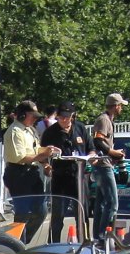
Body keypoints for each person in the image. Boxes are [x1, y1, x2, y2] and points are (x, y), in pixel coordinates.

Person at [2, 99, 56, 243]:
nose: (35, 119)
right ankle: (14, 243)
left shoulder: (30, 130)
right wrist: (42, 156)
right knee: (22, 213)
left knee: (41, 211)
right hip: (18, 173)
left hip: (32, 172)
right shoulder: (15, 131)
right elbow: (21, 158)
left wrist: (47, 155)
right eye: (32, 116)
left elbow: (35, 149)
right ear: (23, 115)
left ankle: (22, 241)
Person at [39, 102, 91, 242]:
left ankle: (84, 243)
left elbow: (90, 149)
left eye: (66, 117)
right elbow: (41, 154)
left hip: (79, 177)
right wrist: (45, 165)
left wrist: (92, 157)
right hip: (60, 179)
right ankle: (54, 245)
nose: (63, 120)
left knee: (82, 215)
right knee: (57, 217)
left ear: (72, 116)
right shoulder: (50, 132)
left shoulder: (80, 128)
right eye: (60, 117)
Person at [89, 93, 128, 239]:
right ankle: (103, 235)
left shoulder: (107, 120)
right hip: (103, 166)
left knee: (101, 204)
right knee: (112, 203)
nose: (121, 109)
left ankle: (97, 237)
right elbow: (98, 141)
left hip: (105, 164)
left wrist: (114, 154)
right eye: (120, 106)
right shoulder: (104, 120)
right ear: (116, 106)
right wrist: (112, 152)